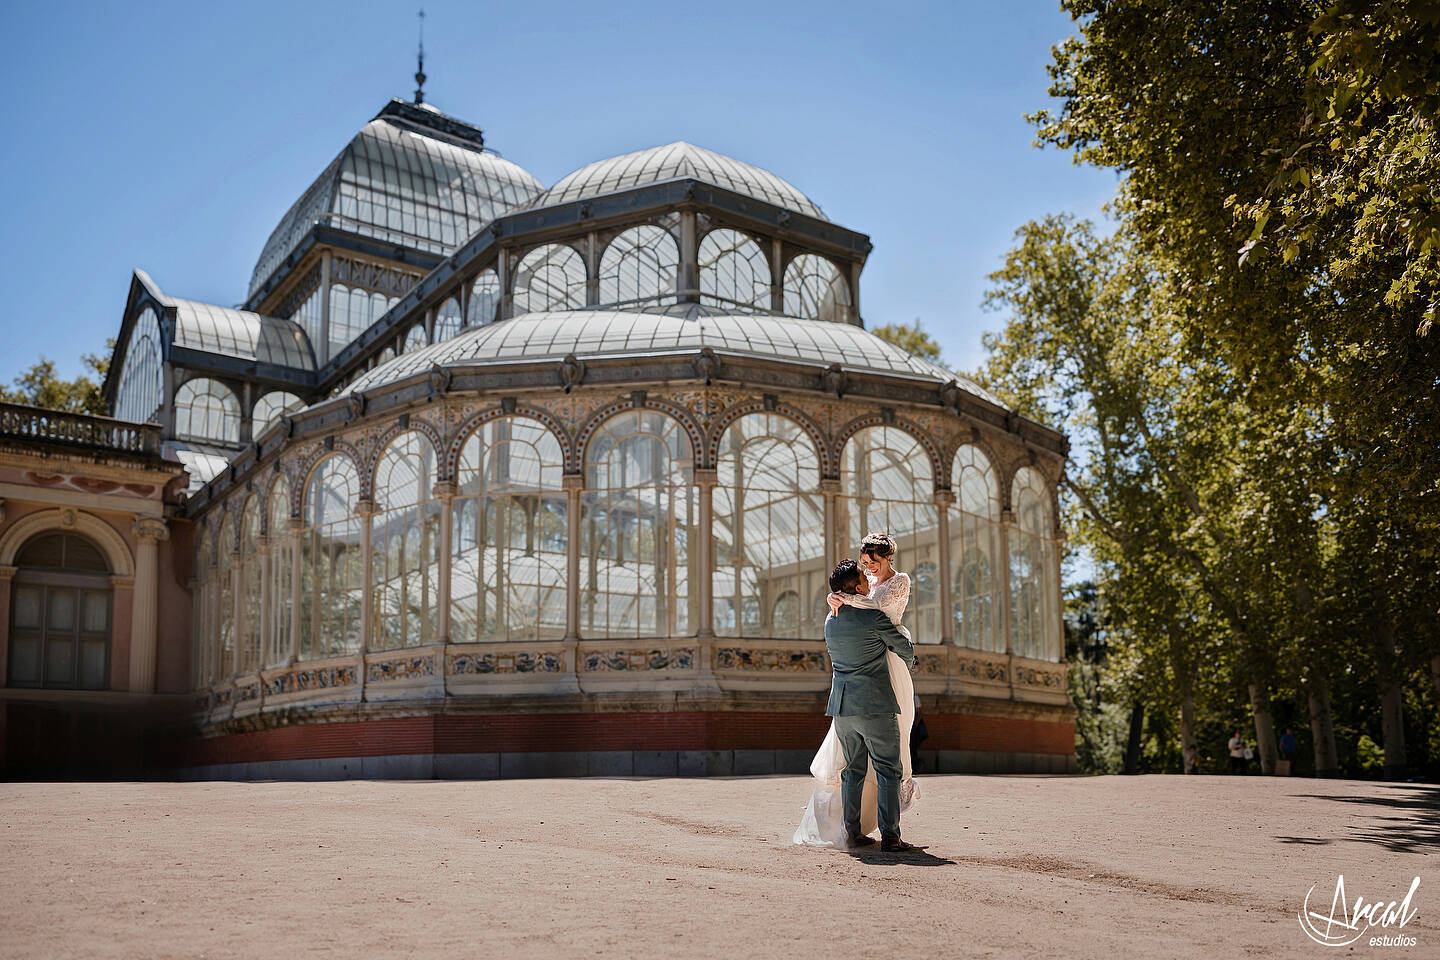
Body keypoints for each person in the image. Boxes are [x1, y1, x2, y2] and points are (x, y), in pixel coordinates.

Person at [793, 533, 920, 847]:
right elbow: (901, 645)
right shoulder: (874, 617)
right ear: (858, 585)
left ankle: (852, 832)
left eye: (871, 564)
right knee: (889, 766)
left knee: (851, 768)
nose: (869, 571)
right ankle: (891, 836)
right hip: (876, 694)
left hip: (842, 703)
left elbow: (865, 604)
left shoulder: (830, 620)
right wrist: (910, 658)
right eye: (864, 568)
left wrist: (840, 598)